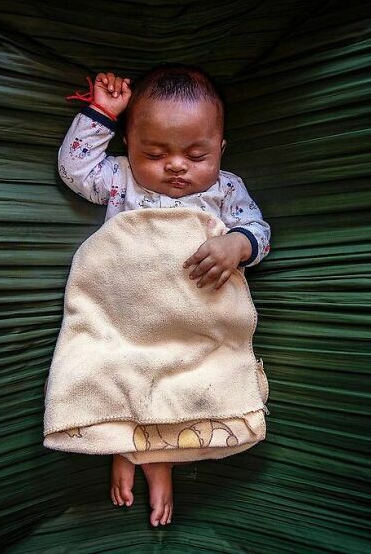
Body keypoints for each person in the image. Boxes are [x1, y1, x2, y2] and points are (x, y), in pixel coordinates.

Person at [56, 64, 271, 527]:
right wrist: (101, 114)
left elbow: (258, 232)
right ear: (128, 146)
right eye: (154, 152)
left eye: (197, 154)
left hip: (194, 312)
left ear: (220, 149)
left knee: (182, 376)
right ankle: (123, 442)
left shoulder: (226, 189)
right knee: (118, 367)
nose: (176, 165)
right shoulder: (120, 178)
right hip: (126, 308)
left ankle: (153, 458)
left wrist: (237, 244)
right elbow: (75, 170)